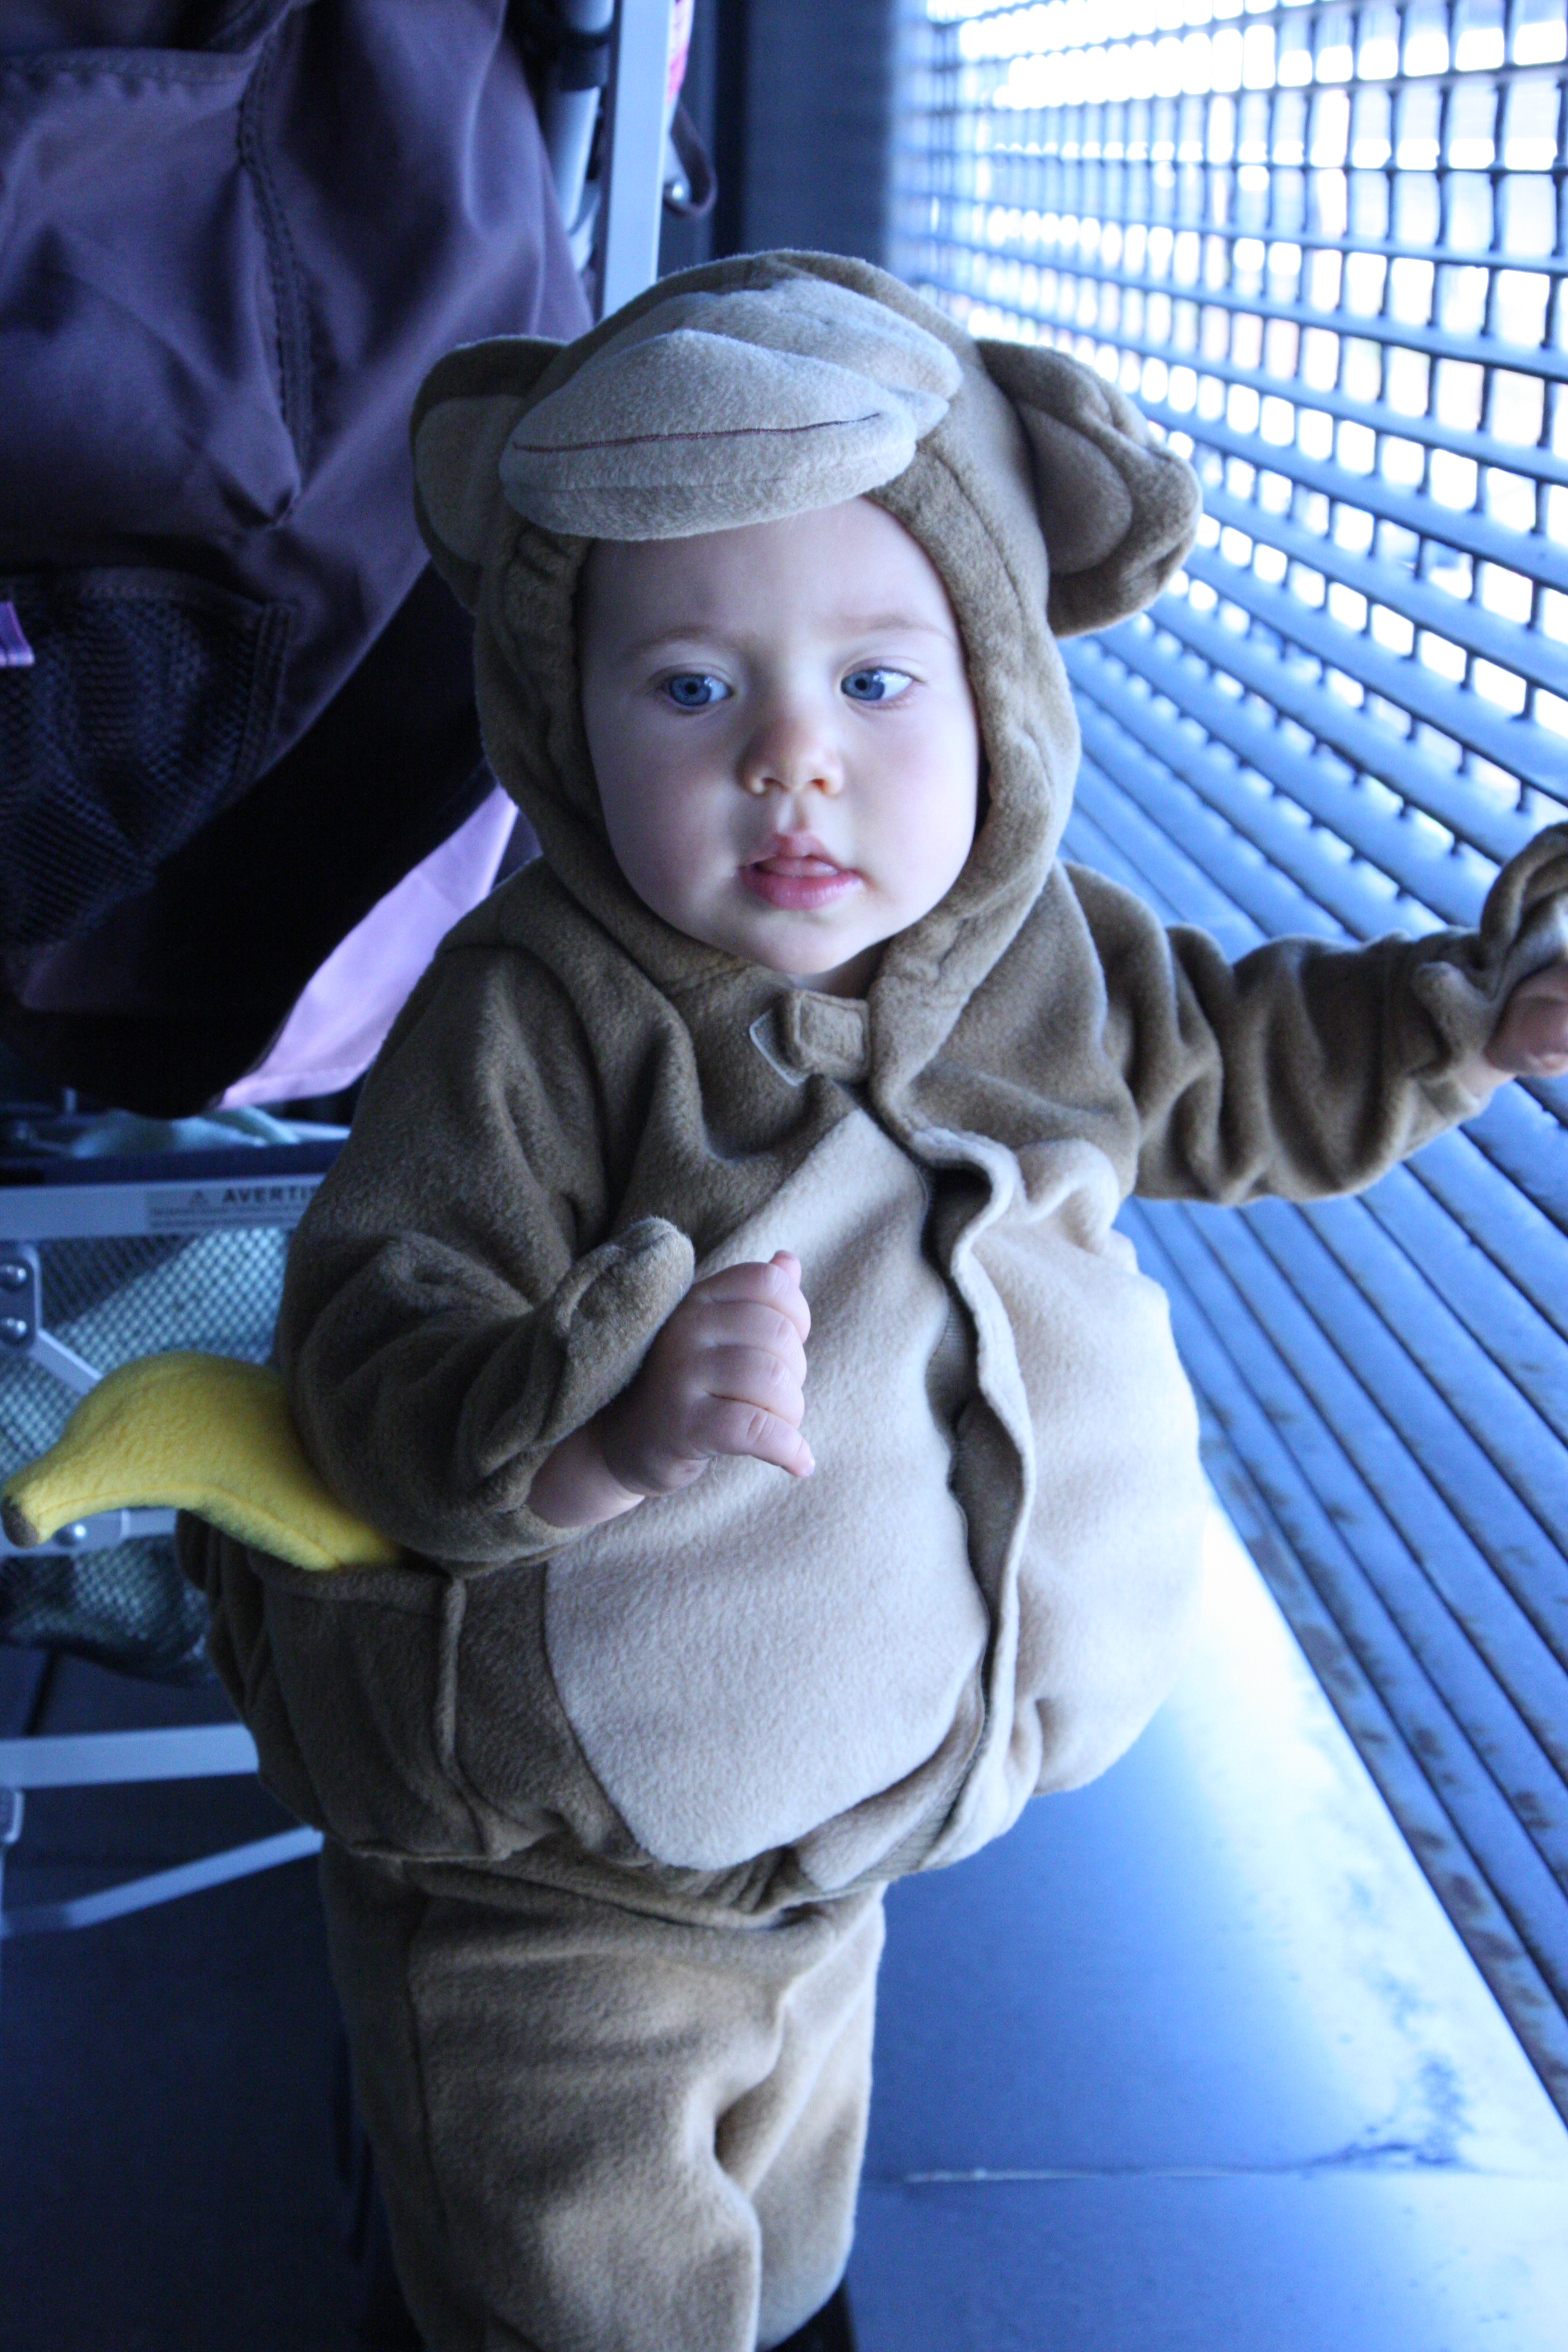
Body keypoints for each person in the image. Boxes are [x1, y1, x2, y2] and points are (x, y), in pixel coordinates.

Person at [177, 253, 1568, 2352]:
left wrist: (1468, 1021)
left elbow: (1245, 1062)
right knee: (579, 2283)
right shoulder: (540, 1007)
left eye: (878, 682)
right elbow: (375, 1317)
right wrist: (595, 1424)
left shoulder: (1038, 957)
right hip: (557, 1868)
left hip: (843, 1823)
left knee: (784, 2238)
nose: (792, 762)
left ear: (1000, 679)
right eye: (690, 690)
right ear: (560, 709)